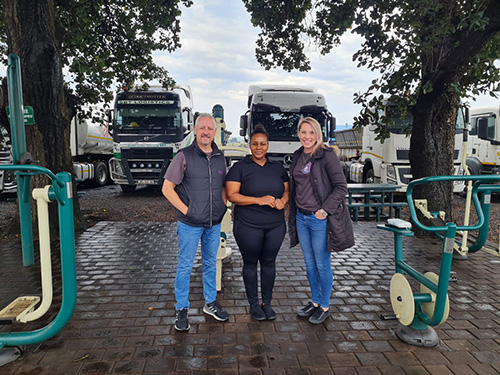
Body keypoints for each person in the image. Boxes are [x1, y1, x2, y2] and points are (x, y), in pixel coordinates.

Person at [162, 113, 229, 332]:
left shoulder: (220, 157)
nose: (206, 132)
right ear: (195, 130)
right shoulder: (184, 156)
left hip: (213, 223)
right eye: (202, 128)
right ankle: (181, 308)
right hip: (190, 224)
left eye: (210, 129)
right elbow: (167, 188)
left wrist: (223, 206)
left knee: (210, 264)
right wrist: (186, 210)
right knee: (185, 266)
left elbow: (221, 186)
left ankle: (210, 303)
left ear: (215, 132)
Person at [288, 117, 354, 324]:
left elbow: (341, 187)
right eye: (303, 132)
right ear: (298, 134)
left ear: (318, 134)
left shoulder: (327, 156)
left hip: (318, 220)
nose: (306, 137)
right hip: (301, 217)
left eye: (311, 132)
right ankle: (314, 302)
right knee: (309, 264)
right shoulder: (298, 156)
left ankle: (324, 305)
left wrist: (324, 210)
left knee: (322, 264)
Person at [225, 125, 289, 321]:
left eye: (262, 144)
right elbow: (232, 195)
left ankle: (266, 303)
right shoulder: (239, 168)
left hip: (275, 225)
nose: (259, 147)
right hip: (248, 225)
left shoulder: (277, 168)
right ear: (249, 145)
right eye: (255, 144)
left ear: (268, 146)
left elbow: (287, 191)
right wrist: (258, 200)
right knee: (250, 263)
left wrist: (283, 201)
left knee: (269, 263)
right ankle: (254, 304)